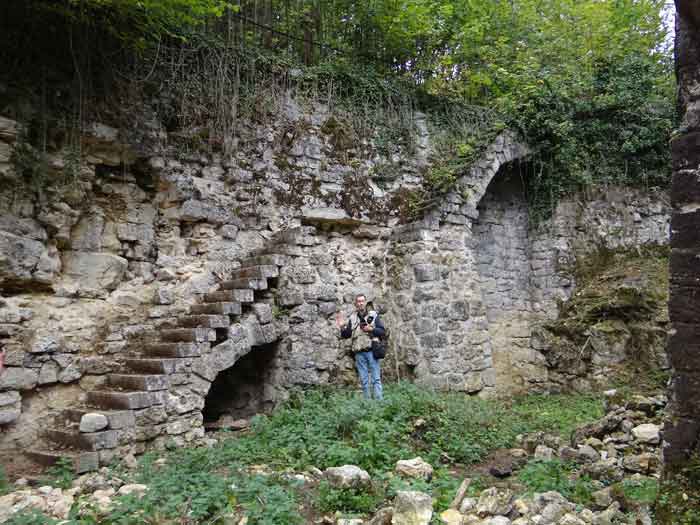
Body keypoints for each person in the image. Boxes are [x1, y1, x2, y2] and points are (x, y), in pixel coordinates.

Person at [336, 294, 385, 400]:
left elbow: (382, 331)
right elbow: (347, 335)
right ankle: (367, 403)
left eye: (362, 301)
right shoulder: (352, 318)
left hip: (371, 351)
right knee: (364, 380)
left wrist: (371, 329)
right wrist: (342, 327)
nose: (360, 303)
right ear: (355, 303)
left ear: (365, 302)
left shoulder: (373, 315)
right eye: (358, 301)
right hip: (359, 353)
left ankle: (379, 403)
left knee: (376, 379)